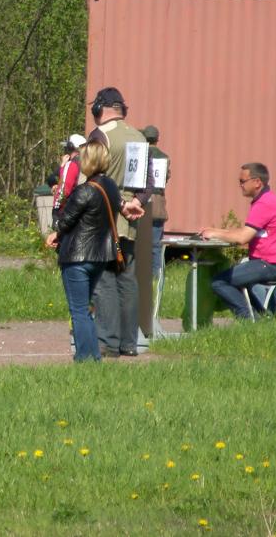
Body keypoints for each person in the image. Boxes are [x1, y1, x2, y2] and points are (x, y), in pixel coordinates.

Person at [87, 87, 152, 357]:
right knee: (127, 279)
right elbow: (148, 181)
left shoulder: (100, 135)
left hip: (104, 218)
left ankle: (107, 342)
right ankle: (128, 343)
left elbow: (93, 179)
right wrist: (136, 202)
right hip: (130, 221)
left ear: (100, 108)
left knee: (104, 279)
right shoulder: (139, 137)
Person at [45, 142, 120, 362]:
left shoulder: (85, 190)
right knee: (85, 308)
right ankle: (92, 355)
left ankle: (86, 357)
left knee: (78, 310)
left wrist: (56, 228)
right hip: (101, 255)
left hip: (78, 256)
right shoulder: (111, 187)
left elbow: (64, 221)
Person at [202, 163, 276, 319]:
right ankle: (260, 318)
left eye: (242, 181)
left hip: (272, 264)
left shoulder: (264, 204)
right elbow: (245, 231)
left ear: (257, 182)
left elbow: (242, 237)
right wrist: (215, 231)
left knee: (219, 282)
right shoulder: (266, 200)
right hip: (271, 263)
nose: (240, 185)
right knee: (235, 280)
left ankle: (248, 319)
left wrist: (215, 234)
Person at [142, 125, 171, 292]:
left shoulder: (141, 155)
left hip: (141, 202)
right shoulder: (165, 157)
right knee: (156, 246)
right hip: (158, 205)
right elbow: (166, 177)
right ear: (157, 139)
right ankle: (157, 276)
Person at [53, 133, 87, 214]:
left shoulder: (72, 165)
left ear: (71, 147)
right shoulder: (88, 162)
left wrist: (56, 210)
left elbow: (63, 191)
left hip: (73, 210)